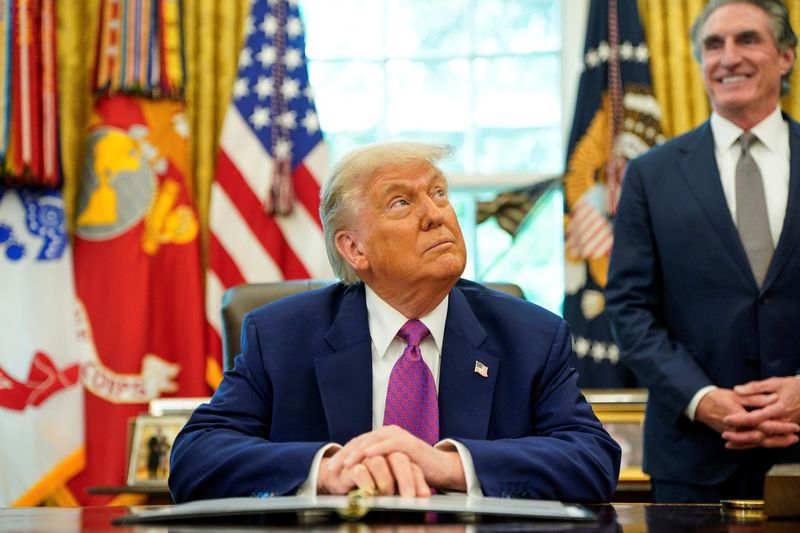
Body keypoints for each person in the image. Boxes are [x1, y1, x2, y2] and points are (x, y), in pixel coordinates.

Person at [169, 141, 620, 503]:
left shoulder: (531, 335)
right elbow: (194, 458)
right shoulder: (281, 337)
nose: (436, 214)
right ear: (354, 249)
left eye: (439, 193)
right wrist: (327, 470)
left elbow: (593, 459)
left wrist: (448, 464)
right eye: (402, 202)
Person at [606, 0, 800, 503]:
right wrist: (703, 399)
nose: (728, 57)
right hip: (694, 459)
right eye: (714, 45)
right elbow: (629, 309)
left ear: (786, 56)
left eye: (747, 39)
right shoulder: (650, 175)